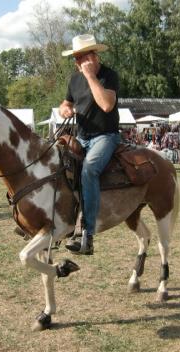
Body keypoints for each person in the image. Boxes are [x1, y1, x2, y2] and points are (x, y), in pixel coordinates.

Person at [59, 34, 121, 255]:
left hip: (106, 136)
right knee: (55, 163)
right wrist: (64, 109)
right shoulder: (74, 80)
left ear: (94, 56)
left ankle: (87, 233)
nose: (77, 63)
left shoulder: (108, 75)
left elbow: (106, 105)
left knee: (89, 169)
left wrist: (90, 76)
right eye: (75, 59)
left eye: (80, 58)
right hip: (82, 135)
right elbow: (65, 104)